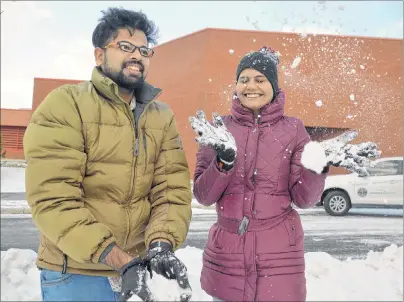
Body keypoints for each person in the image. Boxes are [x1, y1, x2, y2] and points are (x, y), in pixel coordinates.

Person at [24, 7, 192, 302]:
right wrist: (116, 257)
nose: (137, 55)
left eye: (144, 49)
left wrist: (161, 245)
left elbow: (171, 191)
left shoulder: (161, 116)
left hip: (139, 273)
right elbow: (53, 198)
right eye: (125, 46)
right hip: (76, 273)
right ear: (99, 55)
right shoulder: (66, 104)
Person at [189, 47, 380, 301]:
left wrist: (317, 166)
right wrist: (223, 163)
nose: (250, 86)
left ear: (274, 85)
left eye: (260, 79)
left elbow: (304, 198)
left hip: (279, 261)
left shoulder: (293, 129)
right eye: (243, 79)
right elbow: (203, 195)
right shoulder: (219, 130)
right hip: (228, 261)